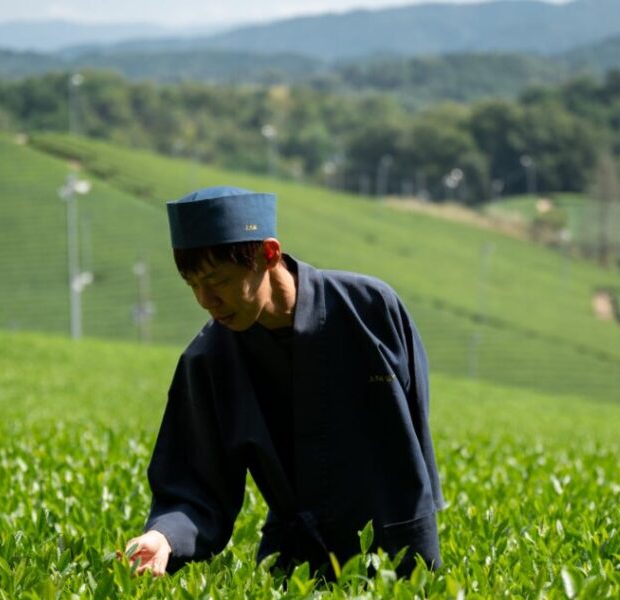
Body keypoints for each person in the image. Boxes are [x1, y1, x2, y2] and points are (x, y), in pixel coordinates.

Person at [125, 186, 444, 578]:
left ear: (268, 254)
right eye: (192, 284)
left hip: (400, 553)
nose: (205, 300)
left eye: (218, 280)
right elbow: (193, 483)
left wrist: (418, 532)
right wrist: (163, 537)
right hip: (298, 565)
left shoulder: (371, 308)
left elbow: (415, 435)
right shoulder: (208, 359)